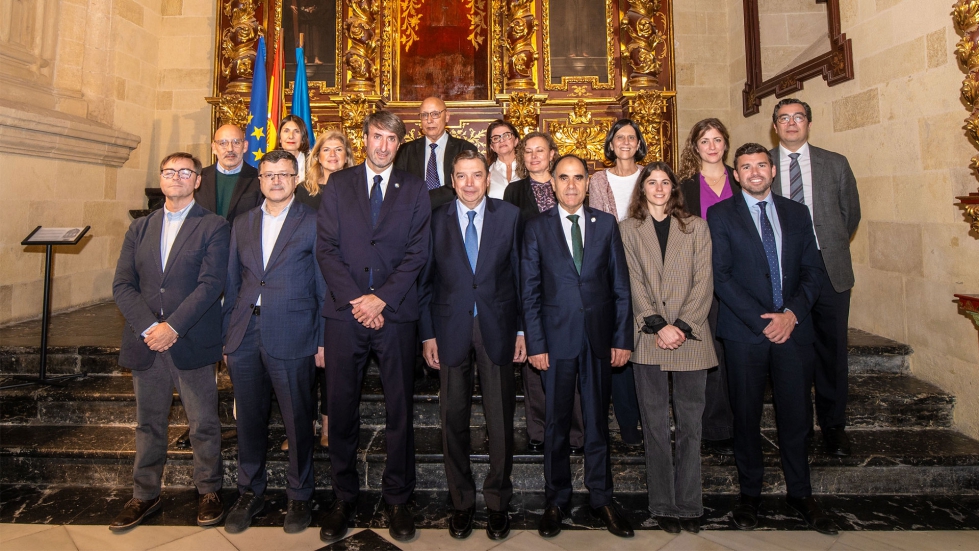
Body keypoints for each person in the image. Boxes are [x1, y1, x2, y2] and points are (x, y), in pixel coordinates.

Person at [709, 143, 838, 535]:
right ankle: (750, 495)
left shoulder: (797, 213)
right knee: (745, 417)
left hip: (794, 332)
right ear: (736, 174)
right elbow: (721, 275)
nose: (754, 172)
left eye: (760, 165)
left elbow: (814, 271)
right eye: (745, 167)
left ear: (772, 170)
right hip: (745, 333)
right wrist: (762, 320)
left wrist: (792, 314)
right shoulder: (720, 214)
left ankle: (801, 493)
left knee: (796, 417)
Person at [316, 110, 431, 543]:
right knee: (341, 409)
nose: (383, 145)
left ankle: (399, 499)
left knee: (399, 409)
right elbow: (325, 248)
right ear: (363, 138)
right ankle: (344, 497)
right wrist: (358, 300)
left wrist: (381, 298)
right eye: (376, 137)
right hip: (345, 316)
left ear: (400, 145)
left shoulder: (416, 189)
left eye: (391, 139)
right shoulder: (338, 184)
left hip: (395, 315)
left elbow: (418, 252)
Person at [110, 152, 229, 531]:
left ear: (197, 180)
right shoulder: (140, 228)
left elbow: (211, 284)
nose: (175, 177)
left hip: (190, 339)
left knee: (203, 422)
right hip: (146, 343)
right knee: (149, 424)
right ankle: (144, 494)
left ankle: (209, 491)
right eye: (168, 171)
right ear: (161, 179)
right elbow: (123, 285)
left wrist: (173, 326)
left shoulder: (214, 226)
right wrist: (150, 327)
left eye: (184, 172)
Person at [522, 154, 634, 539]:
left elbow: (621, 287)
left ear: (589, 183)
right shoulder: (536, 228)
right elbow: (530, 292)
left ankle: (602, 497)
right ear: (551, 183)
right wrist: (535, 343)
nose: (571, 185)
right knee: (555, 424)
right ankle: (556, 500)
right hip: (554, 342)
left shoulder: (606, 225)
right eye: (563, 178)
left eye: (579, 178)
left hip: (599, 340)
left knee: (597, 423)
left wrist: (622, 338)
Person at [419, 150, 524, 541]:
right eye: (461, 176)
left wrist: (523, 332)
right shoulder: (435, 221)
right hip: (449, 331)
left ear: (486, 178)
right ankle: (461, 501)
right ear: (452, 179)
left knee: (499, 422)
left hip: (498, 329)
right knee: (453, 422)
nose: (469, 183)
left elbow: (522, 278)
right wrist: (427, 333)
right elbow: (425, 282)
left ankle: (498, 502)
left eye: (476, 175)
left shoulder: (510, 218)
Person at [221, 150, 326, 534]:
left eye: (284, 174)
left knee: (298, 420)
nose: (276, 181)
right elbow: (232, 284)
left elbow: (323, 286)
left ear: (296, 178)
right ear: (260, 180)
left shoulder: (313, 222)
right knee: (249, 420)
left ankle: (299, 496)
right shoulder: (243, 223)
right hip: (246, 334)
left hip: (295, 334)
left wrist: (322, 340)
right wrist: (227, 338)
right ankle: (250, 492)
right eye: (269, 175)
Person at [620, 162, 716, 534]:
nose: (658, 188)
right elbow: (631, 281)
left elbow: (703, 281)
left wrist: (682, 326)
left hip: (691, 336)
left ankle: (690, 502)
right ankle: (662, 501)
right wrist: (658, 325)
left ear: (674, 189)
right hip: (648, 337)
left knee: (691, 424)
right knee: (655, 424)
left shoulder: (696, 228)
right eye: (651, 182)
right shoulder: (628, 230)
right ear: (642, 189)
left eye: (665, 182)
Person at [770, 98, 861, 457]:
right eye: (784, 118)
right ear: (775, 126)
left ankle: (833, 427)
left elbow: (849, 215)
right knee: (792, 352)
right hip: (782, 270)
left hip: (828, 269)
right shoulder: (762, 165)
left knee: (832, 350)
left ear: (808, 122)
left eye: (798, 117)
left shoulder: (835, 163)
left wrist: (824, 248)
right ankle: (798, 428)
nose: (791, 123)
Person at [503, 132, 585, 455]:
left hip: (567, 287)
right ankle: (538, 431)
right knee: (534, 364)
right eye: (528, 151)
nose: (534, 156)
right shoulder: (514, 191)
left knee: (572, 366)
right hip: (529, 281)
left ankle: (576, 433)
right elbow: (510, 241)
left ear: (552, 154)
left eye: (541, 150)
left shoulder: (570, 184)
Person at [286, 129, 354, 452]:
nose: (332, 154)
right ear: (317, 156)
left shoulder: (356, 191)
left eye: (339, 150)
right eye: (326, 149)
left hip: (337, 281)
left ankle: (328, 424)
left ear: (347, 157)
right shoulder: (301, 192)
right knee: (301, 358)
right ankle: (302, 425)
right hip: (302, 280)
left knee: (330, 357)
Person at [678, 118, 740, 457]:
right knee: (711, 352)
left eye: (718, 139)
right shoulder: (685, 185)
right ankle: (716, 425)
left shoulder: (741, 178)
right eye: (705, 141)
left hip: (742, 278)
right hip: (702, 279)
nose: (712, 146)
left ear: (726, 144)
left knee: (740, 354)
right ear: (696, 146)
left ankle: (741, 419)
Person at [587, 118, 648, 447]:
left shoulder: (650, 176)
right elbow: (598, 227)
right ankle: (625, 422)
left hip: (648, 267)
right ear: (610, 144)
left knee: (642, 344)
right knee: (618, 342)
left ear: (639, 143)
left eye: (631, 137)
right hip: (611, 269)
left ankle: (644, 418)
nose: (625, 142)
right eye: (619, 137)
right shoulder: (598, 180)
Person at [394, 96, 478, 209]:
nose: (429, 120)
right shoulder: (406, 151)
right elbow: (398, 186)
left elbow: (465, 185)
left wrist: (423, 199)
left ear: (447, 116)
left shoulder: (464, 148)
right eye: (424, 115)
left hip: (453, 214)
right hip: (416, 217)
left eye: (435, 114)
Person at [196, 124, 263, 222]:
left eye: (236, 142)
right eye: (223, 143)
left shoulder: (259, 179)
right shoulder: (198, 178)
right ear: (214, 148)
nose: (230, 149)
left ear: (245, 146)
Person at [485, 119, 521, 199]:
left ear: (516, 141)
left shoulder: (529, 169)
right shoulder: (487, 172)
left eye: (506, 135)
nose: (501, 140)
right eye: (496, 138)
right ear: (492, 147)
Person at [276, 115, 312, 182]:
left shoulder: (313, 162)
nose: (291, 136)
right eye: (286, 131)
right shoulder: (270, 163)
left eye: (296, 131)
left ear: (303, 138)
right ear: (280, 138)